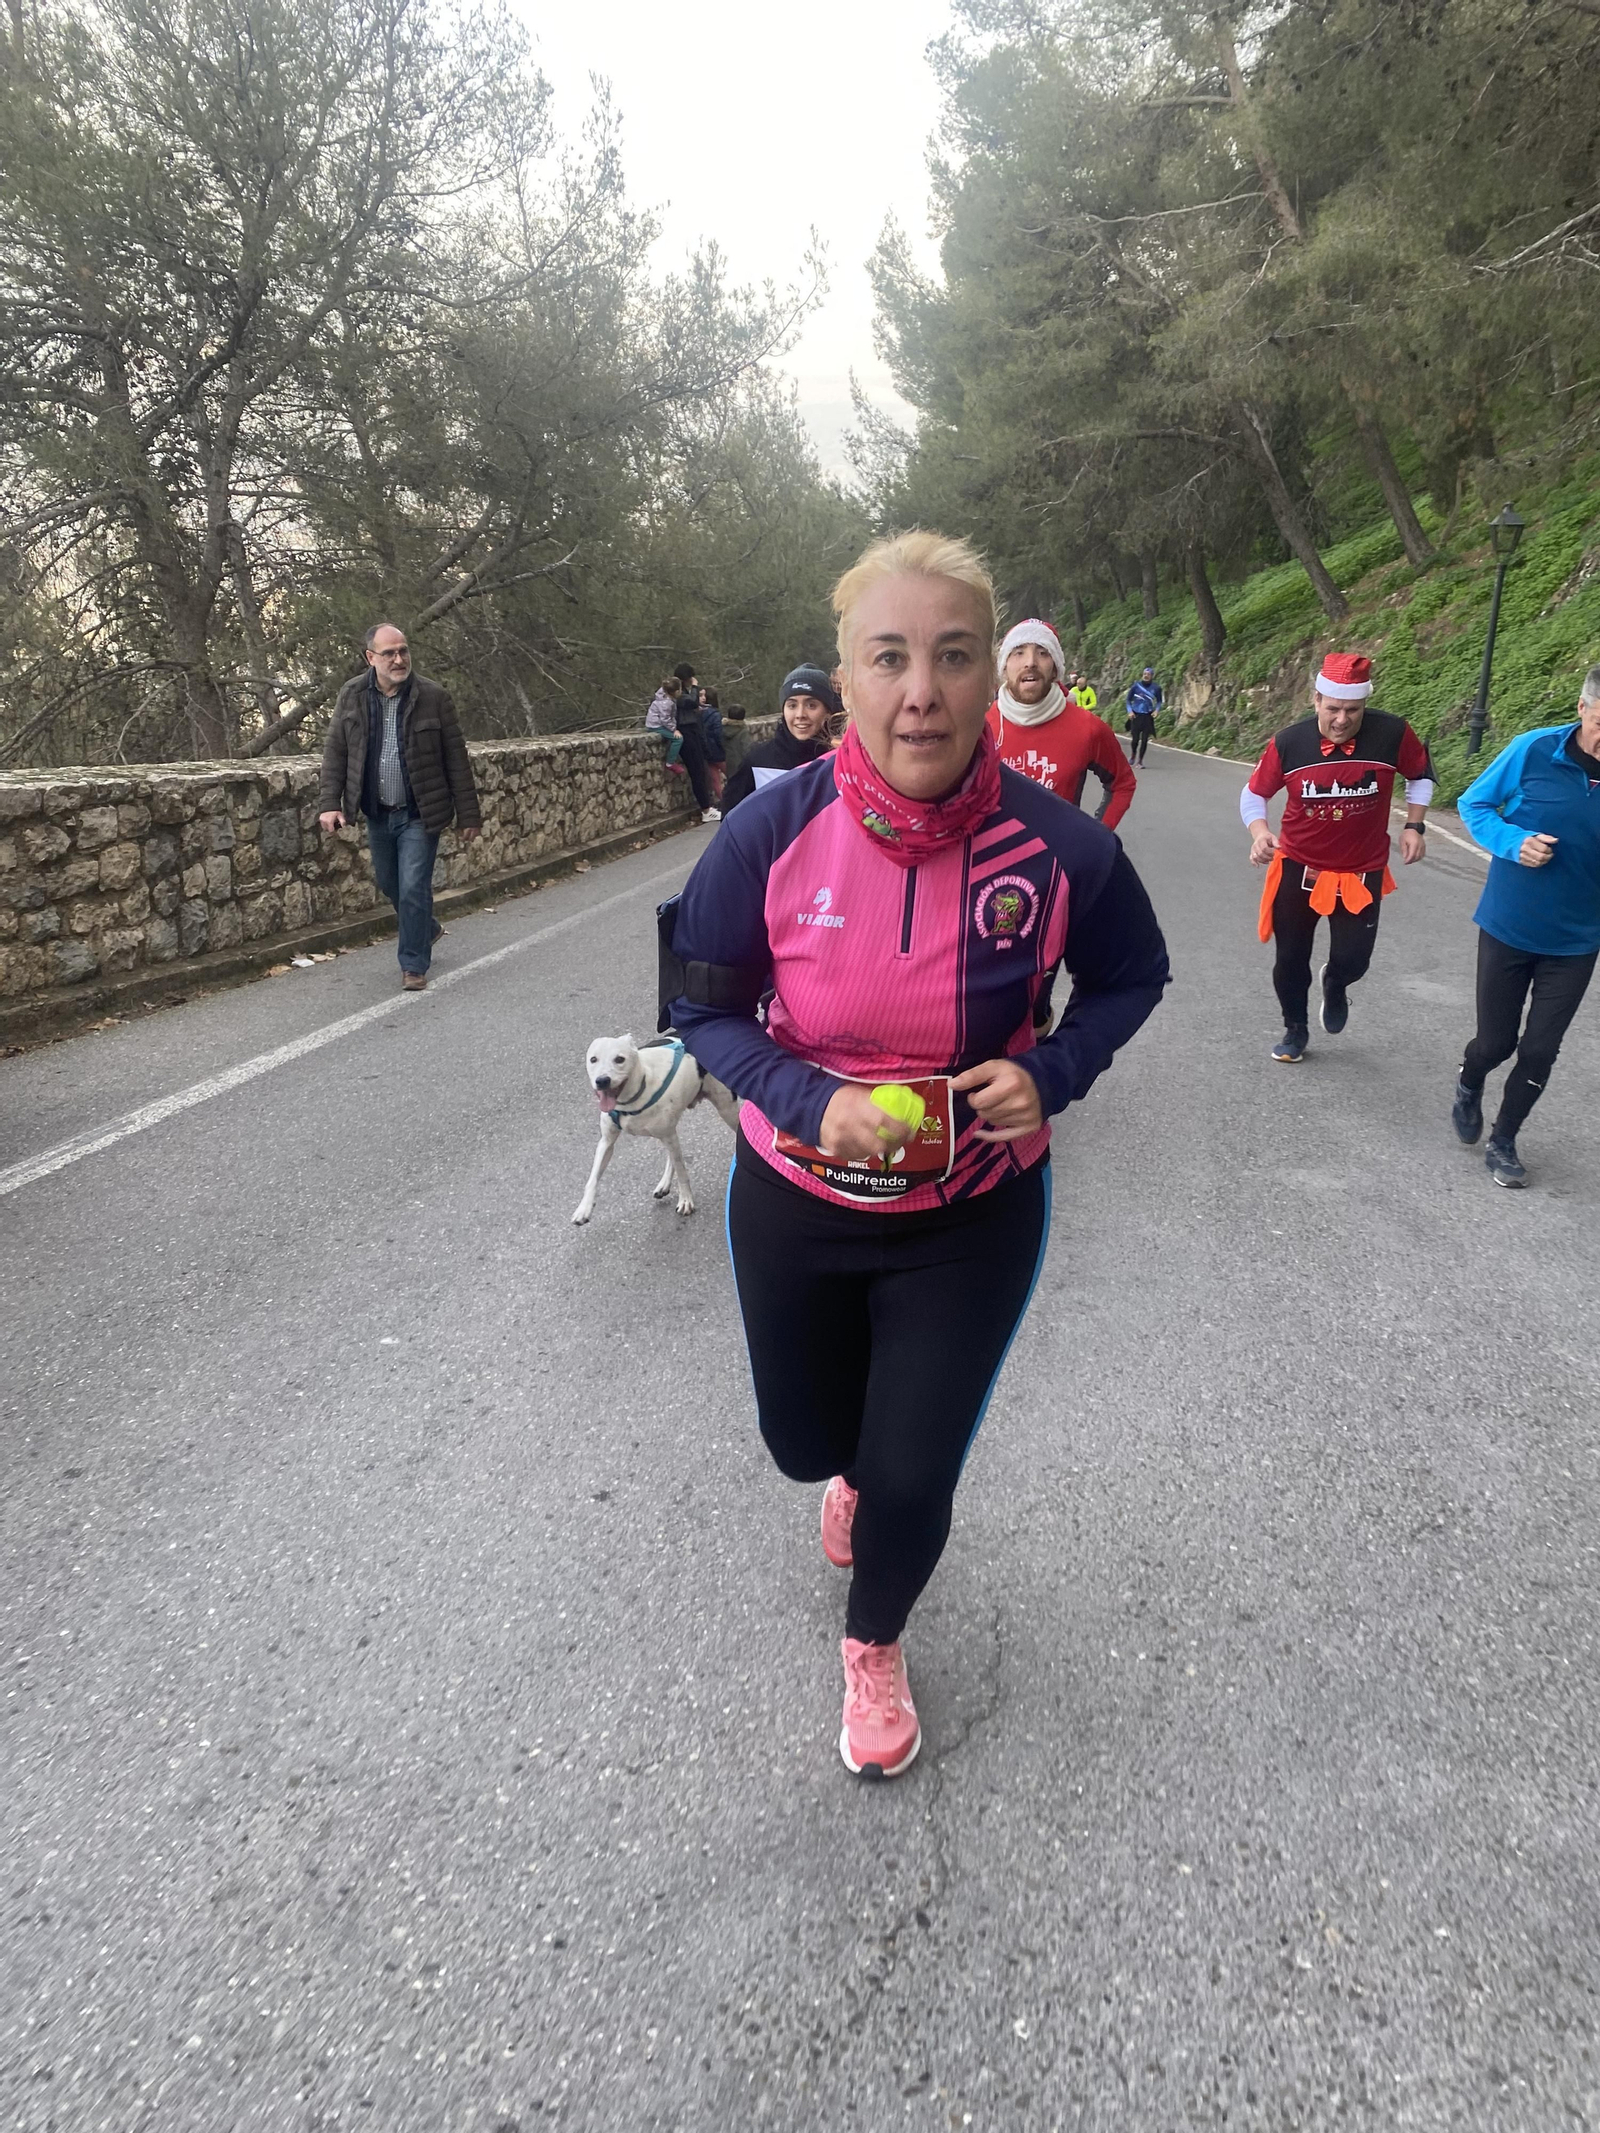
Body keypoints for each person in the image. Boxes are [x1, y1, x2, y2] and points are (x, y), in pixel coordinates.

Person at [669, 533, 1169, 1779]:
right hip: (796, 1197)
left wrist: (1048, 1073)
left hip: (972, 1212)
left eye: (952, 658)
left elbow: (1131, 977)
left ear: (987, 677)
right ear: (845, 682)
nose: (921, 692)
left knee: (911, 1467)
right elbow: (700, 1004)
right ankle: (842, 1478)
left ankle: (876, 1638)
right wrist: (799, 1095)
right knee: (805, 1443)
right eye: (888, 659)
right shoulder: (763, 831)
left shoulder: (1062, 848)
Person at [1242, 652, 1432, 1062]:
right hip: (1298, 866)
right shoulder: (1290, 742)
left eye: (1352, 710)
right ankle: (1295, 1028)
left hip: (1361, 870)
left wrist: (1414, 825)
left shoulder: (1393, 733)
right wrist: (1260, 833)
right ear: (1316, 701)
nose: (1342, 720)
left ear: (1365, 705)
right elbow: (1254, 793)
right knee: (1290, 957)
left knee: (1354, 959)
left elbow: (1419, 776)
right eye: (1333, 709)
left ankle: (1336, 982)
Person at [1451, 666, 1600, 1187]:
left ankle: (1505, 1140)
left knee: (1540, 1049)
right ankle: (1470, 1082)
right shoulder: (1534, 749)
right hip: (1509, 925)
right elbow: (1474, 804)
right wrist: (1515, 844)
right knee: (1495, 1044)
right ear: (1583, 709)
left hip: (1579, 939)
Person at [317, 623, 481, 992]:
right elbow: (336, 752)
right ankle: (428, 928)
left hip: (420, 813)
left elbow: (456, 758)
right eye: (389, 652)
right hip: (377, 811)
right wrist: (330, 803)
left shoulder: (433, 696)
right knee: (390, 883)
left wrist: (469, 814)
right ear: (370, 657)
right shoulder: (352, 695)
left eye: (403, 650)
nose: (399, 659)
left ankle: (413, 964)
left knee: (412, 887)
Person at [986, 619, 1135, 828]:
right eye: (1018, 652)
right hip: (993, 858)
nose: (1030, 662)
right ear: (1003, 668)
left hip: (1060, 859)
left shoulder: (1088, 728)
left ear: (1056, 669)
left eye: (1043, 652)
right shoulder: (979, 727)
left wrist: (1098, 838)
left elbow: (1123, 783)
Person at [718, 665, 840, 813]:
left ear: (827, 711)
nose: (800, 714)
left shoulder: (841, 762)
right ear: (783, 710)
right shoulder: (758, 761)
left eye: (811, 705)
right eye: (792, 705)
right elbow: (730, 821)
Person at [670, 663, 720, 823]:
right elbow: (691, 702)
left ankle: (708, 805)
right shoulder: (677, 692)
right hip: (686, 732)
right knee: (697, 771)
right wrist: (696, 688)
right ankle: (705, 809)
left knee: (701, 769)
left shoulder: (681, 691)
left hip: (693, 731)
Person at [645, 677, 685, 771]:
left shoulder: (664, 698)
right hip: (656, 726)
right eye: (680, 689)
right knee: (678, 739)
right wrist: (674, 730)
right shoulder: (666, 703)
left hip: (655, 723)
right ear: (675, 692)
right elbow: (665, 719)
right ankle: (670, 762)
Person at [1125, 667, 1162, 766]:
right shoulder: (1136, 686)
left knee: (1145, 739)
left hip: (1147, 716)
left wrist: (1156, 710)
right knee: (1135, 740)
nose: (1146, 676)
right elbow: (1128, 700)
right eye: (1144, 674)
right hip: (1136, 715)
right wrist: (1130, 711)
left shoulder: (1156, 688)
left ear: (1152, 676)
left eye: (1148, 674)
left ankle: (1140, 761)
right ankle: (1133, 754)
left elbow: (1159, 701)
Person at [702, 686, 727, 802]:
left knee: (715, 780)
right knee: (733, 774)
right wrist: (724, 747)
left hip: (706, 751)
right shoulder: (715, 715)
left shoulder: (698, 713)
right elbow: (718, 733)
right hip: (718, 751)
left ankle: (723, 801)